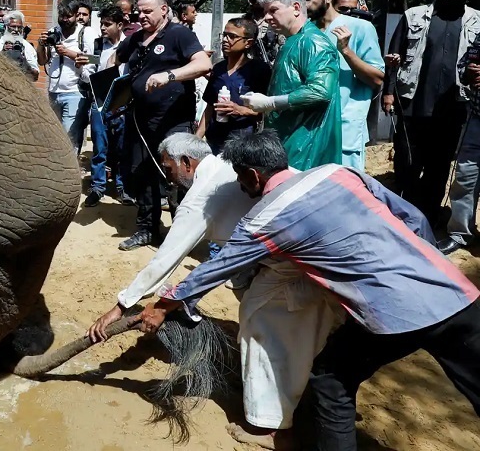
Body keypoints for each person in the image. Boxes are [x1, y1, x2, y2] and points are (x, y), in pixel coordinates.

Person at [139, 131, 480, 451]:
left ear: (254, 177)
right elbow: (415, 218)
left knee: (331, 381)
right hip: (454, 291)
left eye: (241, 179)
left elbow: (215, 269)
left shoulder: (264, 218)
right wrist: (425, 265)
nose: (240, 188)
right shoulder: (340, 173)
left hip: (391, 315)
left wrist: (165, 303)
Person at [88, 133, 342, 449]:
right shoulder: (232, 166)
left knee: (259, 330)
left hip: (290, 265)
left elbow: (168, 258)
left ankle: (270, 428)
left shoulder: (201, 197)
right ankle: (313, 404)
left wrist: (122, 305)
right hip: (323, 258)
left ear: (186, 162)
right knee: (308, 333)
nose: (168, 175)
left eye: (168, 168)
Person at [109, 0, 212, 249]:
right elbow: (115, 57)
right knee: (142, 173)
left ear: (164, 10)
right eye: (138, 12)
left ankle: (184, 231)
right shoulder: (135, 38)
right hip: (139, 119)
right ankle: (147, 228)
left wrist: (170, 75)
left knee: (177, 174)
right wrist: (112, 88)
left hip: (173, 118)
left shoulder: (179, 34)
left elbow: (203, 64)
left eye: (147, 11)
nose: (140, 16)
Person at [383, 0, 480, 224]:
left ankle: (428, 216)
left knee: (439, 165)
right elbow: (394, 57)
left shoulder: (477, 22)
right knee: (407, 162)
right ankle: (403, 212)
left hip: (454, 106)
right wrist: (388, 92)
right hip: (413, 103)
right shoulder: (414, 15)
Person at [240, 0, 341, 169]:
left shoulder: (313, 42)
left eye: (273, 10)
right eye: (265, 12)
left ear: (296, 8)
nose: (267, 17)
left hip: (307, 148)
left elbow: (320, 91)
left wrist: (271, 103)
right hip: (288, 141)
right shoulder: (293, 41)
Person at [298, 0, 384, 169]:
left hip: (345, 131)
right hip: (308, 131)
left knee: (346, 192)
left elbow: (377, 79)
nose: (303, 4)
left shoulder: (361, 27)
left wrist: (346, 51)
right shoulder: (304, 32)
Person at [195, 18, 271, 154]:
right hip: (215, 142)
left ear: (248, 43)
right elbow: (209, 109)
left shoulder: (259, 70)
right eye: (224, 35)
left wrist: (240, 110)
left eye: (232, 36)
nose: (225, 40)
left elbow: (267, 112)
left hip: (243, 143)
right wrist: (197, 140)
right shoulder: (218, 69)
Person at [84, 6, 134, 206]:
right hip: (100, 104)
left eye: (107, 24)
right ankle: (97, 187)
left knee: (123, 148)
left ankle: (122, 187)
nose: (103, 28)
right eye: (101, 24)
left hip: (123, 105)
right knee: (99, 147)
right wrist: (87, 68)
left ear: (120, 25)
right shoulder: (96, 46)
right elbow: (87, 73)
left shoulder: (130, 46)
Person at [38, 0, 91, 160]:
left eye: (68, 16)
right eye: (62, 16)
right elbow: (42, 61)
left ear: (76, 16)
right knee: (56, 136)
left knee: (69, 137)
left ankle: (69, 172)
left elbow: (94, 59)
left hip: (75, 92)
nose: (64, 20)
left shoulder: (86, 33)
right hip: (54, 92)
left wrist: (68, 53)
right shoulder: (54, 31)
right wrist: (41, 45)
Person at [444, 42, 480, 254]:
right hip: (476, 119)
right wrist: (469, 72)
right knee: (466, 177)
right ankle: (460, 232)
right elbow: (464, 65)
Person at [0, 10, 39, 81]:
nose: (16, 30)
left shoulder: (27, 47)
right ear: (6, 26)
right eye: (13, 26)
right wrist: (2, 53)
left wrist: (24, 62)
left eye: (19, 27)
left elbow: (35, 77)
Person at [245, 0, 284, 64]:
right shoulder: (244, 21)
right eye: (253, 1)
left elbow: (283, 45)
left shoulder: (275, 21)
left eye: (259, 1)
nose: (255, 4)